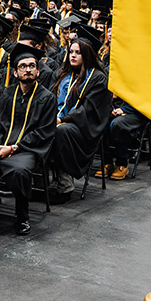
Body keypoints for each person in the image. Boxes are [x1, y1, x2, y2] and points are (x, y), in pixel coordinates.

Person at [0, 44, 57, 235]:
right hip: (1, 145)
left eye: (31, 66)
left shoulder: (47, 98)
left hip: (27, 150)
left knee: (20, 172)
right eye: (23, 66)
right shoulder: (5, 93)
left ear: (38, 70)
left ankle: (22, 217)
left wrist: (13, 148)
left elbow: (43, 133)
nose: (28, 69)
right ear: (15, 72)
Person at [48, 28, 111, 203]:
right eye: (71, 52)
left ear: (87, 55)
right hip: (60, 121)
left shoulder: (98, 79)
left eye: (78, 53)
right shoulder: (62, 74)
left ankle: (65, 185)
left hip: (84, 129)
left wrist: (62, 119)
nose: (73, 56)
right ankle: (40, 181)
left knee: (61, 132)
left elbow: (89, 110)